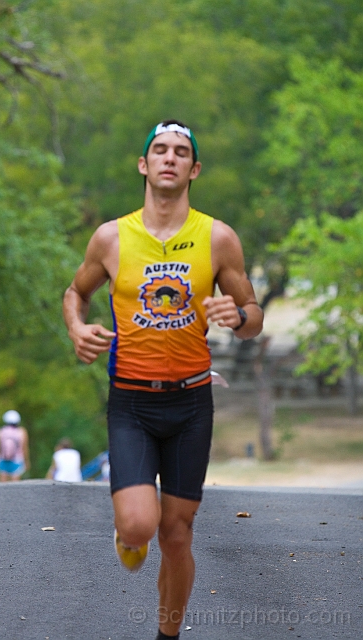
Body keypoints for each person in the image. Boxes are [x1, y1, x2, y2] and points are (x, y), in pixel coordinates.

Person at [63, 120, 264, 640]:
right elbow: (75, 292)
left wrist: (237, 317)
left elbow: (253, 314)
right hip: (131, 400)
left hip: (191, 403)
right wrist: (77, 328)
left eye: (180, 152)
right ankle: (129, 535)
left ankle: (166, 636)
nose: (169, 158)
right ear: (144, 165)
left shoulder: (218, 238)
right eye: (160, 151)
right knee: (139, 526)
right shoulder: (111, 237)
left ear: (194, 169)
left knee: (177, 535)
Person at [0, 410, 30, 482]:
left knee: (2, 484)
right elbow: (24, 448)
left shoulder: (1, 431)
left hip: (2, 459)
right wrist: (26, 461)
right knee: (15, 486)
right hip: (17, 460)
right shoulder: (22, 432)